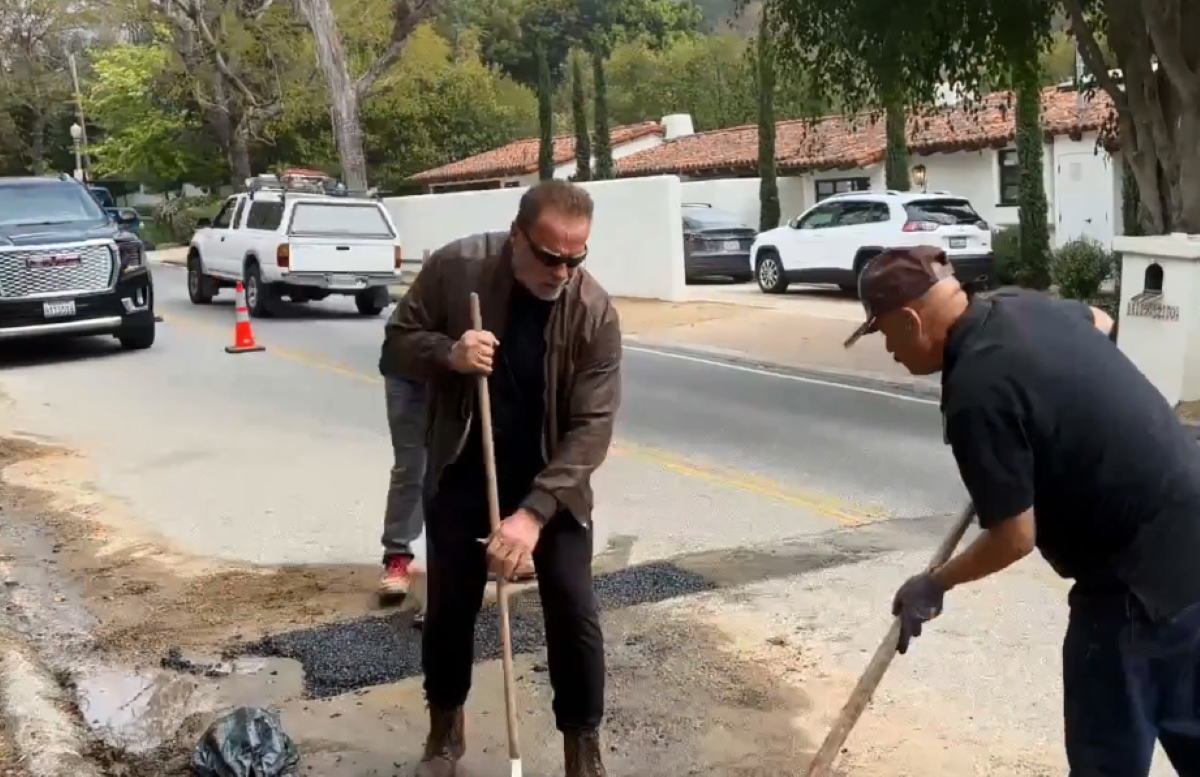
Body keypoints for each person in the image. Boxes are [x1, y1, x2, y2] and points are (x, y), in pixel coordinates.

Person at [845, 246, 1200, 776]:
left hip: (1134, 587)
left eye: (884, 334)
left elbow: (1014, 538)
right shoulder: (1019, 305)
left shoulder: (977, 393)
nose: (890, 350)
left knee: (1107, 752)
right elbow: (1101, 323)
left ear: (911, 318)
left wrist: (936, 583)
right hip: (1191, 540)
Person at [381, 180, 620, 777]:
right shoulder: (457, 268)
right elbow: (396, 345)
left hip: (552, 482)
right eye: (549, 256)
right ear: (516, 237)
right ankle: (444, 729)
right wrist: (449, 354)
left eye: (576, 257)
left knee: (573, 606)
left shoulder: (593, 311)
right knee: (451, 608)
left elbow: (591, 429)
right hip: (468, 465)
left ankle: (582, 749)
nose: (562, 271)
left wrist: (534, 513)